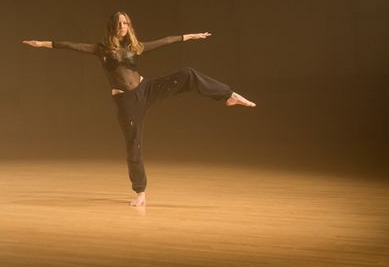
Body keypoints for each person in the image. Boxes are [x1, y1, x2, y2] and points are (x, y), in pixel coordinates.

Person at [23, 11, 255, 207]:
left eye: (126, 23)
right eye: (119, 23)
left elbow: (165, 41)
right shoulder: (101, 49)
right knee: (134, 144)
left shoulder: (136, 47)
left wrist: (188, 36)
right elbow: (70, 45)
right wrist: (42, 43)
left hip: (146, 89)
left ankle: (227, 95)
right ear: (113, 26)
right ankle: (140, 192)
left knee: (187, 73)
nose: (123, 26)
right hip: (126, 102)